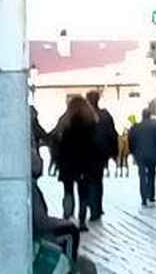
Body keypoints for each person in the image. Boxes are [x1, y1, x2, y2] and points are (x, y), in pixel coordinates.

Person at [52, 95, 102, 231]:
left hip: (67, 163)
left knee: (68, 192)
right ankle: (82, 221)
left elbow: (57, 142)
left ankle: (67, 217)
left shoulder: (64, 122)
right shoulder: (91, 122)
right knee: (83, 193)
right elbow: (96, 144)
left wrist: (57, 161)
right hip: (85, 164)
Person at [128, 104, 156, 207]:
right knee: (152, 174)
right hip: (152, 154)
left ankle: (143, 198)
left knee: (142, 176)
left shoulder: (136, 127)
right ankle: (151, 196)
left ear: (142, 116)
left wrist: (133, 152)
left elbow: (130, 140)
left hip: (140, 155)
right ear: (150, 115)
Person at [87, 89, 119, 222]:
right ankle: (97, 207)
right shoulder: (105, 115)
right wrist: (114, 152)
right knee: (98, 181)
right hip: (101, 154)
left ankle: (92, 206)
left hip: (86, 154)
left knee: (88, 181)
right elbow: (113, 134)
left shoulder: (84, 115)